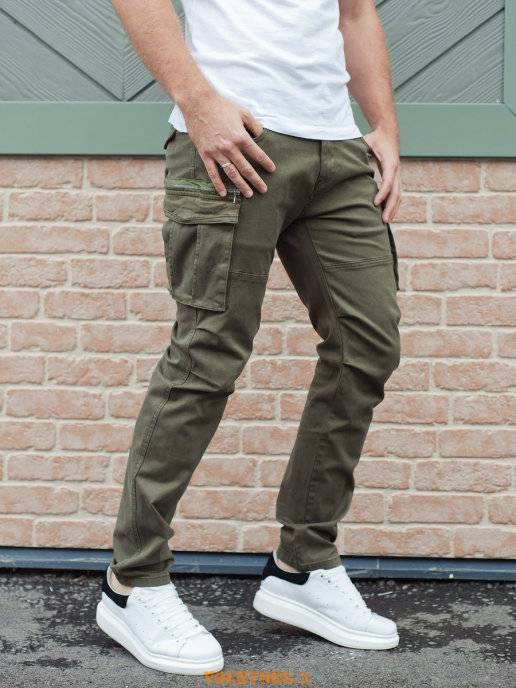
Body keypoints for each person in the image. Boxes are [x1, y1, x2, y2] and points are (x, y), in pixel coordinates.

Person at [96, 0, 402, 675]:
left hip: (336, 148)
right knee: (207, 354)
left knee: (368, 345)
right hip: (235, 136)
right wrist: (197, 100)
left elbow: (354, 14)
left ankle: (302, 565)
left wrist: (383, 124)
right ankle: (133, 580)